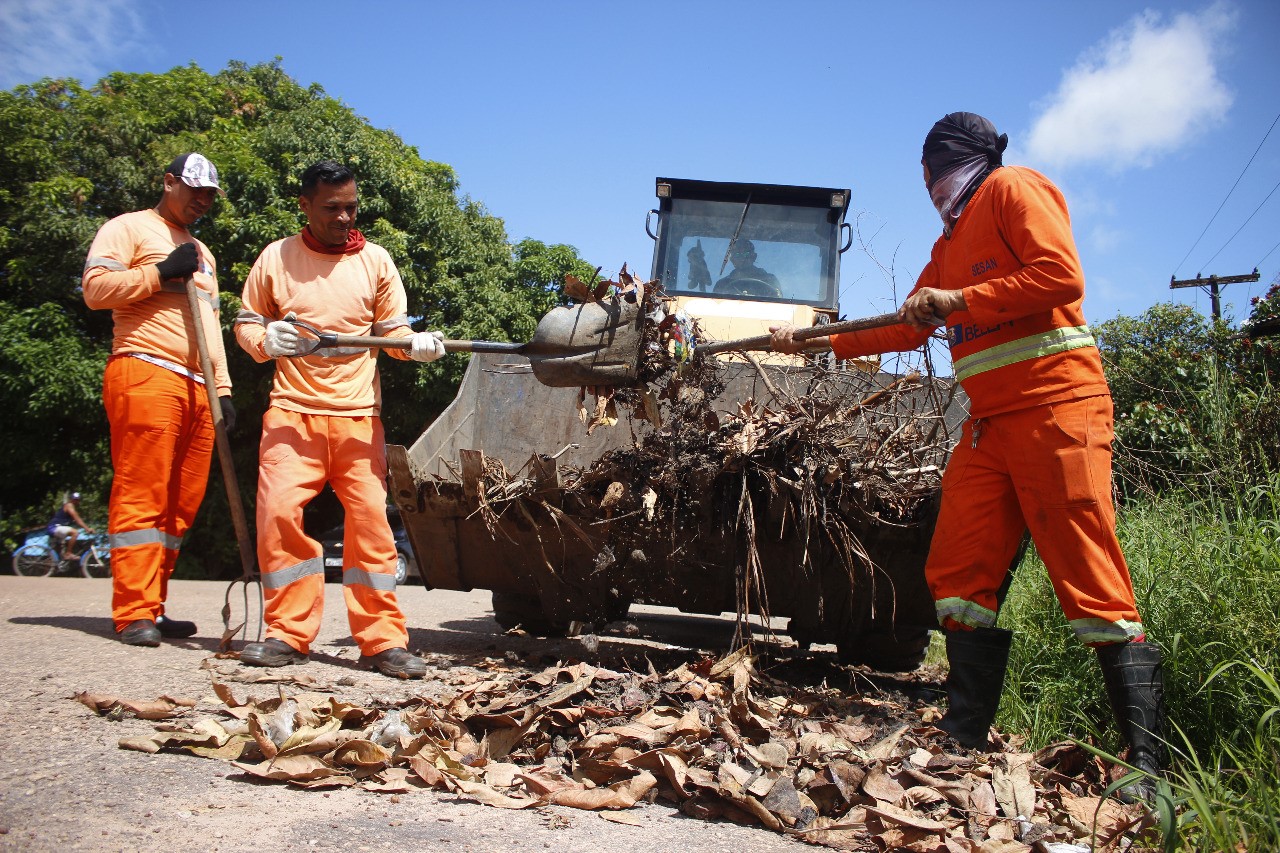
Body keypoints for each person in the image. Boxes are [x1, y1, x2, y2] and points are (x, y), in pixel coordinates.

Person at [771, 112, 1165, 803]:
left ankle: (1152, 765)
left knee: (1088, 574)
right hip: (990, 426)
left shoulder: (1014, 190)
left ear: (955, 163)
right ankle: (964, 735)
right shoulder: (949, 241)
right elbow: (903, 322)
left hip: (1057, 409)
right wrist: (815, 341)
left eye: (931, 173)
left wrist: (958, 299)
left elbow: (1059, 277)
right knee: (956, 571)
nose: (928, 188)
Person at [233, 160, 445, 679]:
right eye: (332, 208)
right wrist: (264, 341)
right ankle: (287, 633)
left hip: (357, 416)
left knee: (372, 524)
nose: (345, 217)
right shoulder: (276, 257)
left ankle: (381, 641)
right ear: (305, 206)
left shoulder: (375, 262)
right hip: (292, 413)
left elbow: (393, 333)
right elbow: (245, 322)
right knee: (280, 515)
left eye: (351, 206)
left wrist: (413, 345)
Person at [83, 152, 234, 647]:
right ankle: (133, 612)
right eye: (194, 191)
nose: (201, 202)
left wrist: (225, 389)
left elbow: (210, 325)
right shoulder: (127, 229)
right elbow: (96, 290)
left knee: (179, 508)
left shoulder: (204, 253)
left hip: (199, 387)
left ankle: (155, 603)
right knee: (142, 495)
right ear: (169, 182)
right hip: (145, 369)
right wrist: (160, 273)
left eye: (209, 196)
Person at [48, 492, 94, 561]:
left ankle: (55, 564)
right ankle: (68, 553)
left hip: (57, 528)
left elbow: (77, 522)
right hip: (54, 527)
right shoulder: (69, 505)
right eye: (74, 499)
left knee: (58, 554)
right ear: (71, 499)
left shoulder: (71, 507)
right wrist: (87, 528)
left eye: (77, 500)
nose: (76, 501)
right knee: (75, 533)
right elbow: (77, 519)